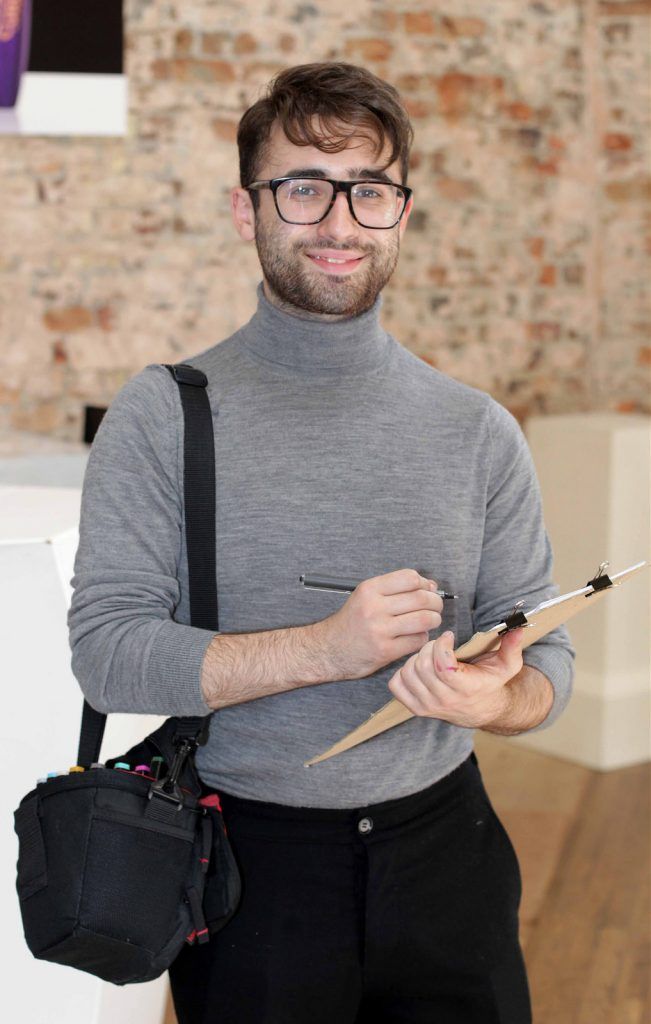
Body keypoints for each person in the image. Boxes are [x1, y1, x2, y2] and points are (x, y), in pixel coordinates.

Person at [68, 62, 574, 1023]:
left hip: (449, 855)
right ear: (245, 208)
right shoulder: (166, 413)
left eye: (368, 190)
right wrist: (326, 650)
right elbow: (107, 656)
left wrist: (498, 698)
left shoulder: (477, 430)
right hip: (251, 874)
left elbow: (546, 653)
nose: (338, 223)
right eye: (302, 187)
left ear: (401, 213)